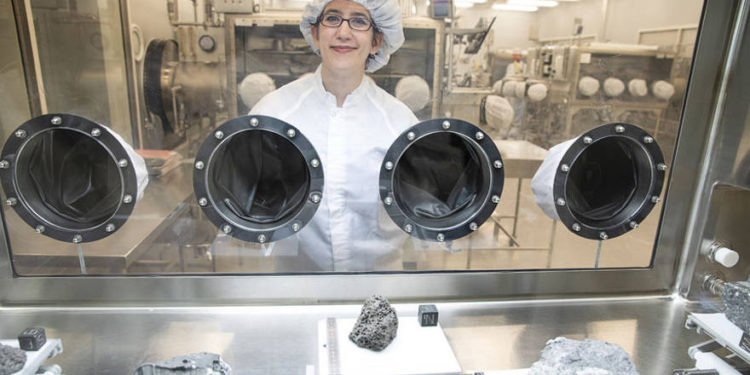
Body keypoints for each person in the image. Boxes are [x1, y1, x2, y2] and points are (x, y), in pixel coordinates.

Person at [250, 0, 418, 272]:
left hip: (380, 286)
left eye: (359, 21)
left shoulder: (399, 123)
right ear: (315, 33)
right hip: (296, 286)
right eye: (333, 18)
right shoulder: (274, 113)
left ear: (377, 40)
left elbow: (421, 209)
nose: (343, 32)